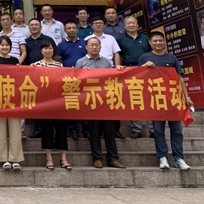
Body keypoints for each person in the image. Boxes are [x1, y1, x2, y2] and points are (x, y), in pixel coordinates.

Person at [139, 31, 194, 171]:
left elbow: (180, 78)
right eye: (155, 41)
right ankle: (162, 157)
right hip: (156, 100)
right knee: (158, 131)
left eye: (160, 40)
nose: (158, 43)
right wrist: (144, 67)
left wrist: (187, 97)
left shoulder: (172, 58)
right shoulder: (144, 57)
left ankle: (179, 158)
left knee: (177, 131)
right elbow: (138, 77)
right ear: (150, 43)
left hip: (174, 99)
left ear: (164, 42)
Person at [76, 37, 126, 169]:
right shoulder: (80, 62)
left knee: (110, 130)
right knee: (94, 131)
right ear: (86, 47)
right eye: (91, 45)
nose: (94, 47)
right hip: (91, 101)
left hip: (106, 101)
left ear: (100, 47)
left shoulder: (106, 62)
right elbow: (76, 83)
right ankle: (97, 158)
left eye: (96, 45)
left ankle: (113, 158)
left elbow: (112, 80)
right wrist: (81, 74)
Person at [32, 41, 71, 171]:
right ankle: (49, 158)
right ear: (41, 50)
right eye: (45, 48)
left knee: (62, 129)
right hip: (44, 102)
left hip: (59, 101)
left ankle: (63, 158)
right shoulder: (36, 65)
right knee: (47, 129)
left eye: (50, 48)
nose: (48, 50)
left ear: (53, 50)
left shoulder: (59, 65)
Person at [84, 16, 124, 138]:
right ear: (92, 26)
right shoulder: (87, 39)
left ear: (104, 25)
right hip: (92, 77)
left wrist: (116, 68)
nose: (98, 25)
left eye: (100, 23)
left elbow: (116, 54)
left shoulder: (111, 38)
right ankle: (98, 131)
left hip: (108, 73)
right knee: (95, 103)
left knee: (112, 101)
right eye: (95, 23)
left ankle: (115, 130)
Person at [117, 16, 153, 139]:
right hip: (130, 71)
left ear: (137, 25)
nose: (131, 25)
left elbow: (152, 53)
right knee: (134, 100)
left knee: (149, 100)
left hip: (146, 71)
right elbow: (118, 55)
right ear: (124, 26)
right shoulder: (120, 39)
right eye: (128, 23)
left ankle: (153, 130)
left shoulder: (145, 38)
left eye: (133, 23)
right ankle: (136, 130)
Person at [0, 36, 23, 170]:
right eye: (2, 45)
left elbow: (21, 78)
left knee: (15, 130)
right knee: (0, 131)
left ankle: (15, 159)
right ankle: (3, 159)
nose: (4, 47)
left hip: (14, 98)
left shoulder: (15, 61)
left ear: (10, 46)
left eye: (7, 45)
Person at [24, 18, 58, 138]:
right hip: (32, 76)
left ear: (40, 27)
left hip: (49, 77)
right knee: (36, 103)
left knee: (50, 104)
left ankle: (51, 129)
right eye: (31, 25)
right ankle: (38, 129)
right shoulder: (26, 42)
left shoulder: (48, 39)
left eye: (36, 25)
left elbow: (56, 56)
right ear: (28, 28)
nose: (34, 27)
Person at [57, 20, 89, 140]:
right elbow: (59, 61)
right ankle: (73, 130)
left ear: (77, 29)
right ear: (65, 31)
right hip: (68, 79)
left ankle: (86, 130)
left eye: (73, 28)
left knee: (85, 103)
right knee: (71, 104)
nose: (71, 30)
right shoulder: (61, 45)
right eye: (69, 28)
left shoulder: (84, 43)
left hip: (83, 78)